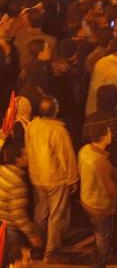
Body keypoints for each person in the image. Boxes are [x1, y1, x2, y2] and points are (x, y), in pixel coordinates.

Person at [25, 96, 78, 262]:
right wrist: (73, 178)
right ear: (55, 110)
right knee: (56, 216)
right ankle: (52, 252)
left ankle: (36, 248)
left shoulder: (32, 126)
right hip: (56, 178)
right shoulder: (58, 130)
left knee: (40, 213)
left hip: (37, 176)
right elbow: (67, 156)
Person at [78, 122, 117, 268]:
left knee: (98, 234)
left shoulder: (84, 151)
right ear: (103, 137)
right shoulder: (101, 161)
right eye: (109, 132)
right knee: (103, 237)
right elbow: (110, 189)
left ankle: (95, 259)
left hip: (87, 200)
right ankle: (99, 263)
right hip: (100, 205)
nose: (111, 134)